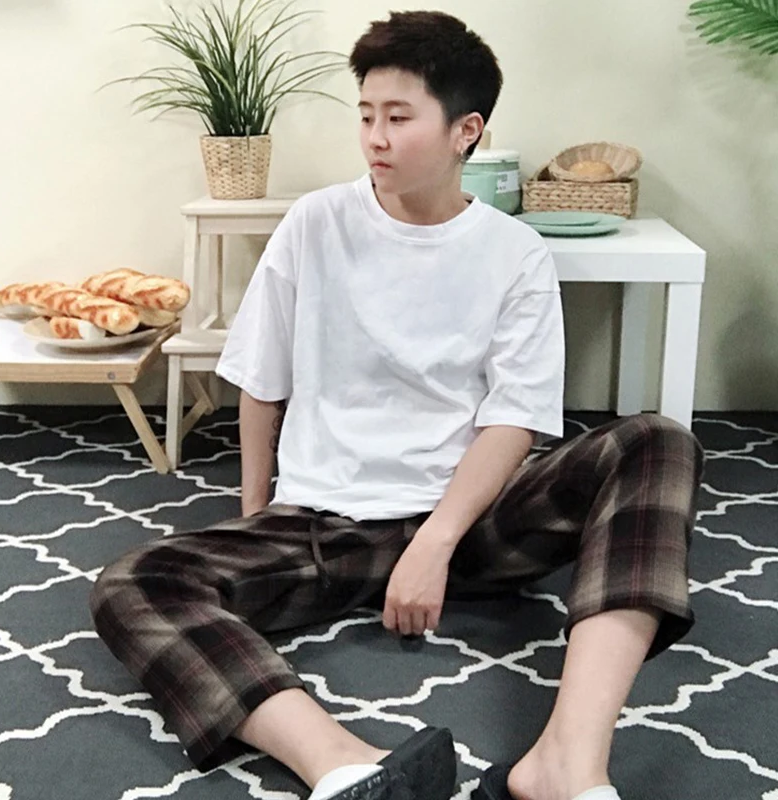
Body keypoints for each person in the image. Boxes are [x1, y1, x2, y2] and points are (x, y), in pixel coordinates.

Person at [90, 10, 704, 800]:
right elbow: (261, 382)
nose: (375, 138)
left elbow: (512, 419)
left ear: (465, 131)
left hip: (470, 525)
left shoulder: (514, 252)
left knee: (657, 441)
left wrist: (436, 543)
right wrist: (255, 518)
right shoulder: (316, 223)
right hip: (324, 526)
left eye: (399, 118)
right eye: (366, 116)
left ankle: (565, 765)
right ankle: (345, 766)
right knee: (133, 584)